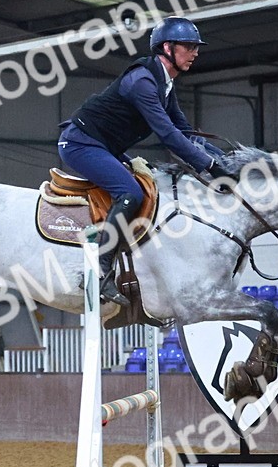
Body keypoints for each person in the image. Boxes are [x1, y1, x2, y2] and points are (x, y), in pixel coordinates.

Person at [58, 16, 231, 306]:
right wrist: (211, 168)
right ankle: (100, 271)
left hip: (104, 145)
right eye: (189, 47)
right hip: (80, 143)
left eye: (195, 47)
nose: (195, 53)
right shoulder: (142, 82)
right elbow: (167, 135)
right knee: (130, 193)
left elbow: (185, 132)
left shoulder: (164, 84)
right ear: (167, 47)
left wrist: (223, 159)